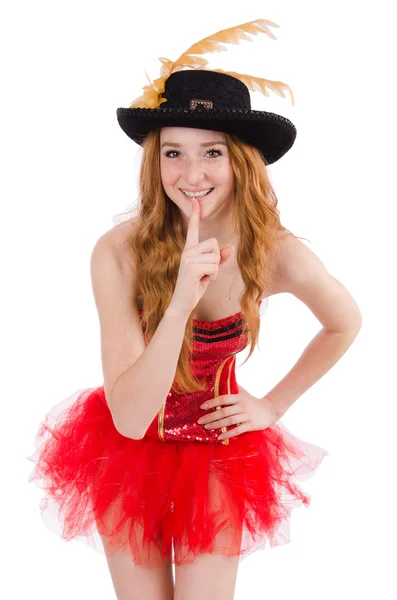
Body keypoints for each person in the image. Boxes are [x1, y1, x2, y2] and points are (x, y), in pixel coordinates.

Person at [27, 18, 362, 600]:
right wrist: (181, 298)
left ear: (242, 162)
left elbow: (344, 323)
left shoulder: (276, 253)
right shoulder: (118, 252)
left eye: (212, 152)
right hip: (126, 449)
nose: (191, 174)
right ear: (155, 163)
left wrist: (273, 403)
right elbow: (130, 418)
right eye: (173, 152)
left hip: (218, 448)